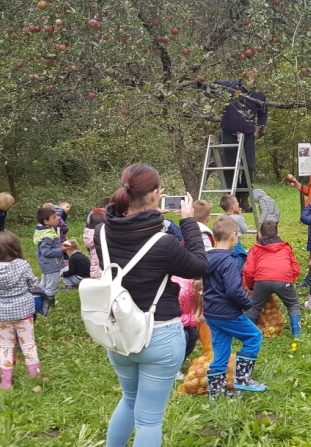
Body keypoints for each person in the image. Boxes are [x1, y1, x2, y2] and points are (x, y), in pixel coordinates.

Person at [94, 163, 206, 447]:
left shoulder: (101, 234)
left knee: (129, 401)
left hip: (119, 335)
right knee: (149, 420)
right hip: (160, 336)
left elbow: (130, 233)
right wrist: (189, 221)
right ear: (156, 194)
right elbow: (200, 266)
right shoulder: (164, 243)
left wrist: (151, 213)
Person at [203, 216, 266, 400]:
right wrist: (248, 304)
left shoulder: (207, 259)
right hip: (228, 313)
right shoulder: (228, 262)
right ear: (234, 235)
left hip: (211, 313)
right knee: (254, 336)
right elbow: (233, 290)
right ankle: (243, 379)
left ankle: (217, 395)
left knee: (221, 352)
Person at [0, 231, 44, 389]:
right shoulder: (22, 264)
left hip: (2, 312)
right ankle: (35, 377)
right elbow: (33, 285)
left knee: (5, 345)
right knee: (28, 344)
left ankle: (6, 382)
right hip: (24, 311)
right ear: (16, 247)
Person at [215, 70, 268, 212]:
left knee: (248, 166)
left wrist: (259, 129)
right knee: (230, 167)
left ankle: (244, 198)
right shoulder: (230, 87)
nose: (250, 81)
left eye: (253, 79)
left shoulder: (258, 94)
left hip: (248, 135)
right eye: (247, 78)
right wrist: (200, 83)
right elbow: (212, 87)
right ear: (242, 78)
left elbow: (263, 114)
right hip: (229, 133)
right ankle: (232, 200)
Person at [243, 221, 302, 337]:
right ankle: (297, 334)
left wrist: (251, 286)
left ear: (260, 234)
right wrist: (290, 279)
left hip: (262, 280)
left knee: (254, 307)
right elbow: (295, 268)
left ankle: (245, 333)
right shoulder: (286, 247)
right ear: (278, 233)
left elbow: (248, 270)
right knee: (293, 304)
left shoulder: (256, 248)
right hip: (284, 279)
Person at [34, 206, 65, 306]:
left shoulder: (43, 230)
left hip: (45, 264)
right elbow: (46, 251)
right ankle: (48, 306)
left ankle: (39, 302)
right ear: (46, 221)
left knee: (43, 285)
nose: (57, 218)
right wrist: (61, 249)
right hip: (52, 264)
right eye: (54, 217)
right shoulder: (47, 235)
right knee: (51, 286)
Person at [171, 276, 202, 374]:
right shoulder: (181, 292)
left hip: (182, 322)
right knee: (184, 335)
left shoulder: (194, 293)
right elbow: (173, 317)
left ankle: (179, 362)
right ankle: (171, 367)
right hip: (166, 324)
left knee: (193, 334)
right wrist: (196, 318)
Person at [219, 194, 249, 270]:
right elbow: (244, 230)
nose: (238, 203)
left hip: (223, 245)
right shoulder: (237, 218)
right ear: (232, 207)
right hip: (235, 245)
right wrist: (240, 215)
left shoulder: (220, 217)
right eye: (236, 202)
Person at [83, 210, 105, 279]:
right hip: (101, 258)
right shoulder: (100, 232)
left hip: (94, 259)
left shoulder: (88, 233)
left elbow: (88, 245)